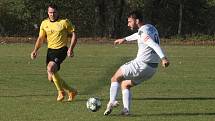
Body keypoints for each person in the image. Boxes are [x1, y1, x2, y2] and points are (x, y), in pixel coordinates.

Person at [104, 11, 170, 116]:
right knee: (125, 84)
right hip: (151, 69)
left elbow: (153, 44)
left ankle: (111, 101)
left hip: (141, 64)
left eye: (130, 21)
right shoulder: (150, 28)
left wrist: (164, 58)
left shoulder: (143, 33)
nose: (128, 24)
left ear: (137, 21)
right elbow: (138, 35)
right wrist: (124, 39)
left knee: (115, 78)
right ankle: (126, 110)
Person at [30, 3, 77, 102]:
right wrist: (35, 50)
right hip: (50, 51)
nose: (52, 14)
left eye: (54, 12)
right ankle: (71, 91)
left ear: (57, 12)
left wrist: (71, 49)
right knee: (51, 78)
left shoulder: (64, 22)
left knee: (51, 68)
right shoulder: (44, 23)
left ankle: (61, 92)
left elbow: (74, 35)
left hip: (61, 50)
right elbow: (41, 38)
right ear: (47, 13)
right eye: (50, 12)